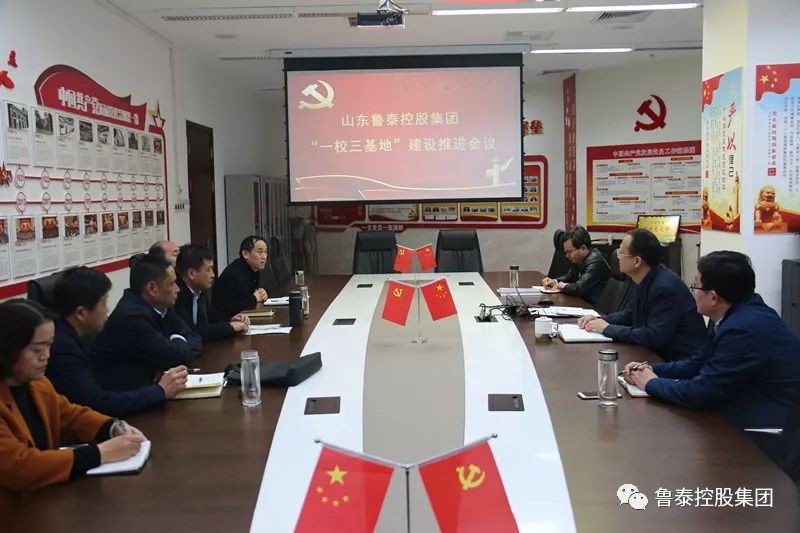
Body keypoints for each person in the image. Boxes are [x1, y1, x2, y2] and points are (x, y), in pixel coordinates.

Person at [623, 251, 800, 461]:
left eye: (695, 286)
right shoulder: (739, 313)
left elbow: (701, 393)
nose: (693, 292)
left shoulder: (743, 329)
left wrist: (651, 384)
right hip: (743, 409)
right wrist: (652, 369)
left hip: (767, 430)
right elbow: (699, 362)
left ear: (713, 297)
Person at [0, 300, 146, 500]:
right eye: (37, 350)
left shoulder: (37, 383)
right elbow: (20, 466)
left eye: (49, 345)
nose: (46, 356)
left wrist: (111, 427)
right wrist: (99, 454)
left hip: (43, 501)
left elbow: (69, 415)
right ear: (8, 349)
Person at [46, 267, 188, 416]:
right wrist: (160, 391)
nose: (107, 310)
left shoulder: (69, 335)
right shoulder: (63, 349)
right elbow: (97, 404)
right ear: (81, 313)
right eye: (103, 303)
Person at [578, 229, 705, 361]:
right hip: (655, 355)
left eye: (621, 252)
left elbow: (654, 336)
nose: (617, 256)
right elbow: (629, 314)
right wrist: (599, 320)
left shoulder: (664, 288)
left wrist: (608, 329)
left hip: (679, 362)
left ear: (637, 261)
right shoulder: (646, 278)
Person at [91, 254, 201, 392]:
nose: (177, 289)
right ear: (152, 288)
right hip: (126, 396)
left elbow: (194, 337)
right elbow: (176, 357)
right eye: (172, 284)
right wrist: (177, 340)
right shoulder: (132, 317)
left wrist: (174, 347)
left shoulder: (161, 306)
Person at [174, 244, 250, 340]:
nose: (213, 275)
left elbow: (211, 315)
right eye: (208, 270)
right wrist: (230, 327)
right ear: (191, 273)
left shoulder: (199, 290)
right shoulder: (176, 295)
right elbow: (193, 331)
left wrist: (231, 320)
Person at [541, 225, 611, 305]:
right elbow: (570, 277)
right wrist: (554, 281)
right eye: (565, 252)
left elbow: (578, 288)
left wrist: (562, 286)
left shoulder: (596, 263)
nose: (567, 256)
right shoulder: (579, 259)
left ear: (583, 248)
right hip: (583, 302)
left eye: (569, 252)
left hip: (595, 307)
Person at [213, 235, 269, 318]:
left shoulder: (253, 269)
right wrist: (254, 298)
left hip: (243, 318)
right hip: (227, 320)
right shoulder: (235, 272)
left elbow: (251, 295)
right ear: (245, 254)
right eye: (260, 252)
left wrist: (261, 295)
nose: (264, 256)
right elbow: (229, 306)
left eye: (266, 252)